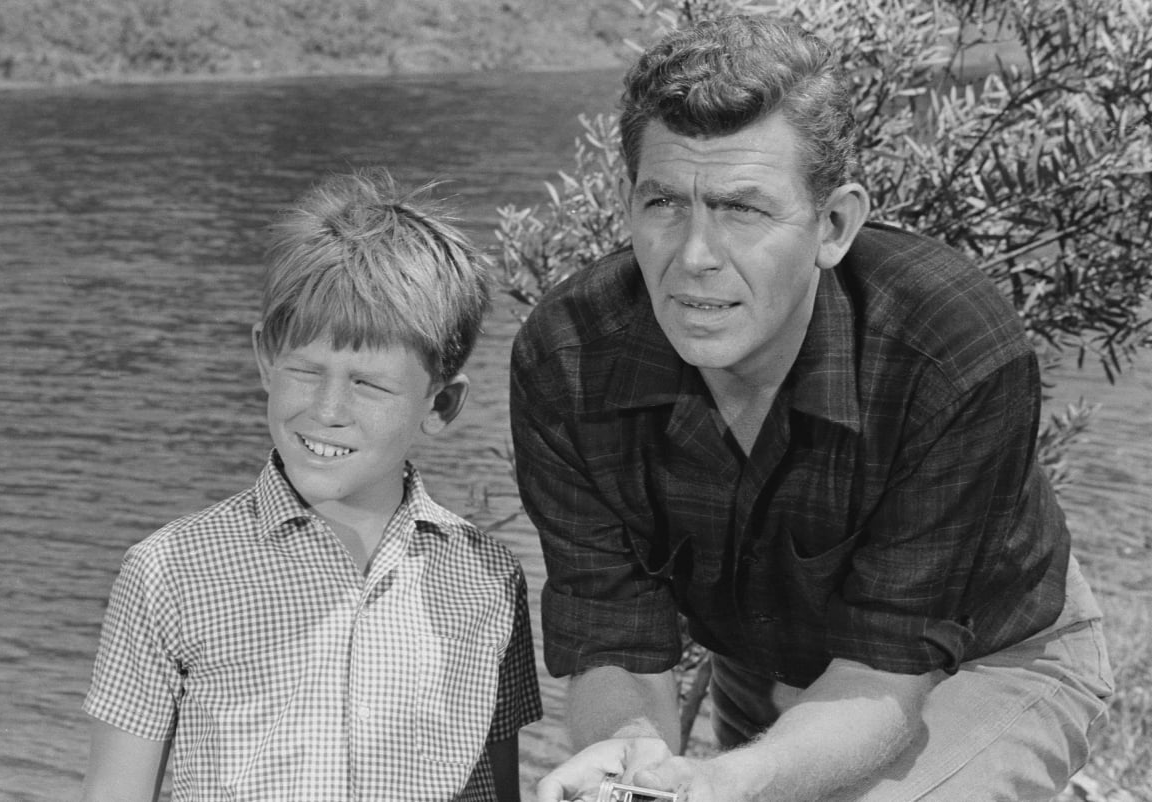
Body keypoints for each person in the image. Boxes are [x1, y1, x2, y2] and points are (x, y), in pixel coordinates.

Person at [510, 14, 1113, 802]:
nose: (693, 256)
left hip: (991, 654)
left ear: (833, 225)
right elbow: (615, 640)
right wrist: (631, 761)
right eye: (663, 203)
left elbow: (883, 673)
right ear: (627, 204)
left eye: (742, 209)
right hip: (766, 662)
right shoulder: (567, 358)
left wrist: (741, 776)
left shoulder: (948, 347)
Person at [81, 169, 542, 802]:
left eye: (368, 383)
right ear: (265, 360)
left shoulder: (489, 579)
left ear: (440, 405)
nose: (327, 410)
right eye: (305, 370)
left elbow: (497, 789)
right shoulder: (167, 573)